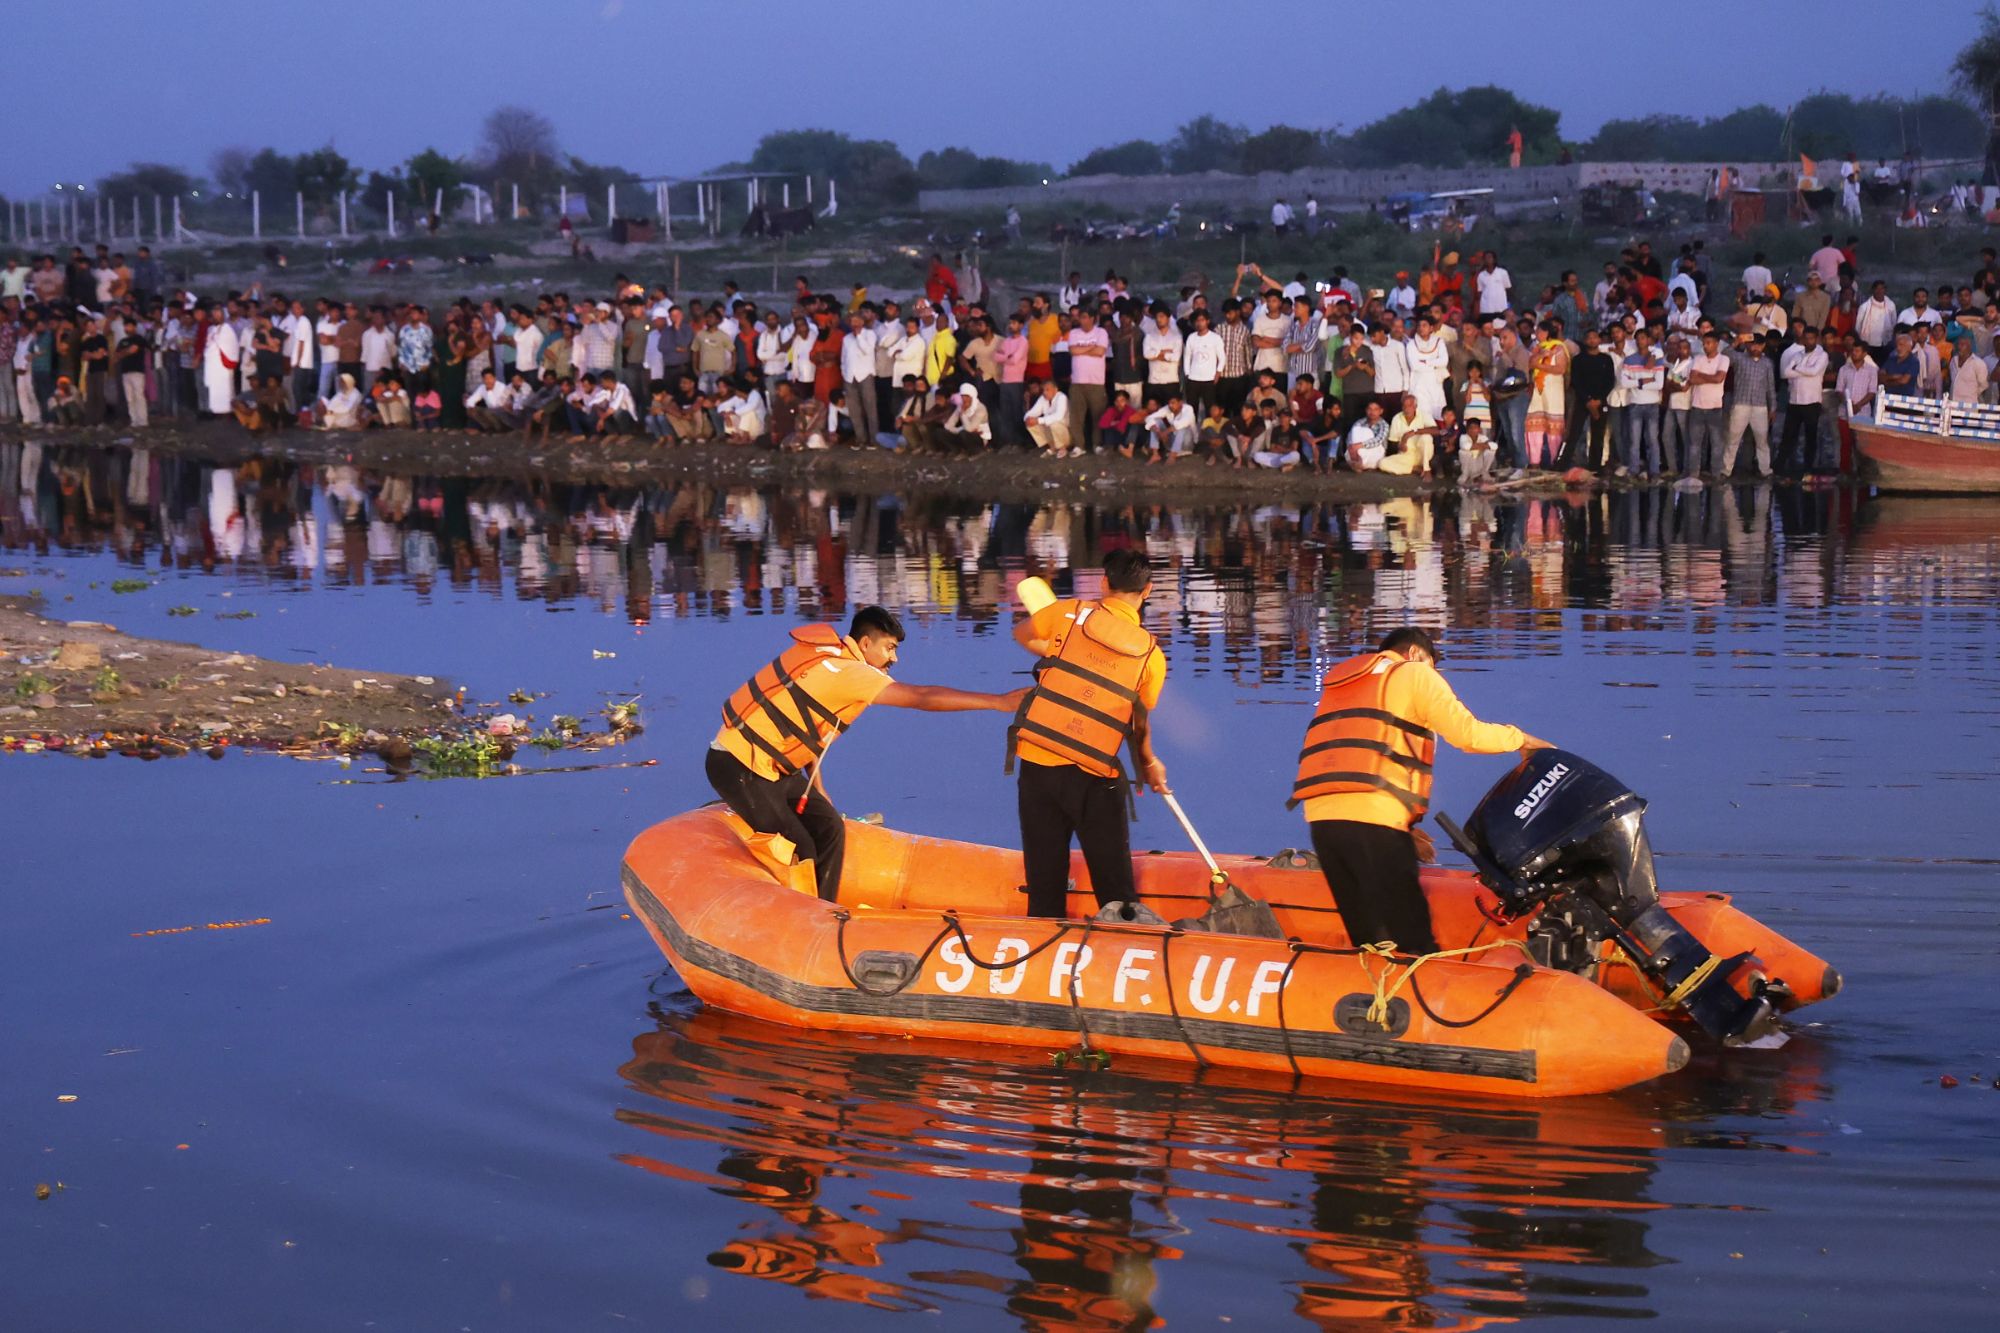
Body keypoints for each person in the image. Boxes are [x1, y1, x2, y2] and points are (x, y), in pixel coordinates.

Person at [708, 606, 1024, 902]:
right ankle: (797, 919)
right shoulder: (850, 674)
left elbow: (810, 728)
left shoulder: (829, 656)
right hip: (738, 765)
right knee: (799, 845)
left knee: (830, 828)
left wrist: (817, 787)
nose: (895, 659)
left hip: (772, 767)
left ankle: (823, 910)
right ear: (865, 642)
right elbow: (922, 697)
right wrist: (999, 701)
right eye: (889, 648)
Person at [1290, 627, 1551, 955]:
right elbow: (1468, 734)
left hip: (1324, 823)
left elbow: (1355, 762)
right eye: (1432, 664)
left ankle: (1377, 1000)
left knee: (1369, 942)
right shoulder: (1414, 672)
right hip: (1374, 823)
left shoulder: (1346, 683)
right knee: (1413, 944)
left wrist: (1404, 829)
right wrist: (1522, 740)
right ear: (1415, 654)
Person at [1009, 550, 1168, 919]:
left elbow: (1022, 634)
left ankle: (1044, 955)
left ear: (1103, 583)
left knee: (1044, 887)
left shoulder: (1068, 612)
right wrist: (1149, 762)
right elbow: (1137, 722)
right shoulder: (1151, 656)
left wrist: (1058, 654)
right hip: (1093, 777)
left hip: (1037, 765)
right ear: (1148, 591)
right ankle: (1122, 953)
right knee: (1116, 894)